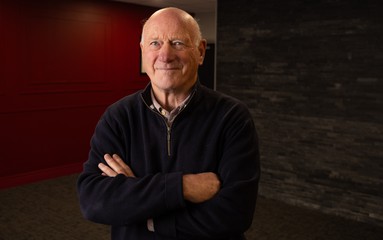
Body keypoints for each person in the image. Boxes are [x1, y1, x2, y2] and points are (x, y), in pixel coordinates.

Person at [77, 7, 260, 240]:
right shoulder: (118, 117)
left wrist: (142, 205)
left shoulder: (232, 117)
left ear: (201, 51)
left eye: (177, 43)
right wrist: (182, 187)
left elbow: (235, 213)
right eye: (155, 43)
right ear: (143, 51)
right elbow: (94, 200)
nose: (165, 55)